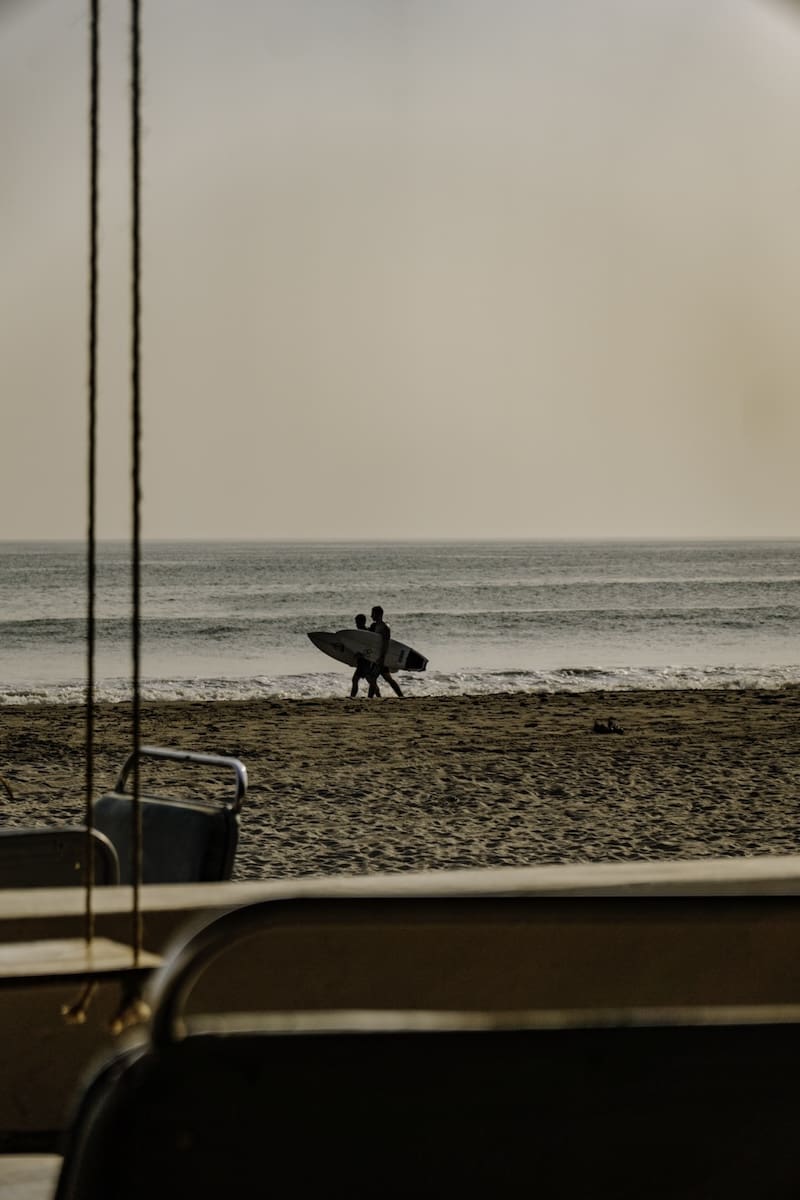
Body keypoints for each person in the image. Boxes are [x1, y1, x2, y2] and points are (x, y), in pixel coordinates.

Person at [369, 605, 404, 698]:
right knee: (386, 678)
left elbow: (385, 643)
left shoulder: (384, 627)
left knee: (373, 678)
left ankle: (372, 697)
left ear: (378, 614)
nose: (371, 616)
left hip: (381, 656)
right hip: (376, 656)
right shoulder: (374, 626)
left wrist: (382, 657)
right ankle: (401, 696)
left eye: (373, 614)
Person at [350, 613, 381, 699]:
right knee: (369, 680)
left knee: (358, 679)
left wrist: (363, 654)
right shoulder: (362, 632)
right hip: (363, 660)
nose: (356, 624)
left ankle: (352, 697)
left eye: (357, 622)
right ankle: (378, 695)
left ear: (361, 622)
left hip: (365, 660)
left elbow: (370, 647)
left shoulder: (365, 632)